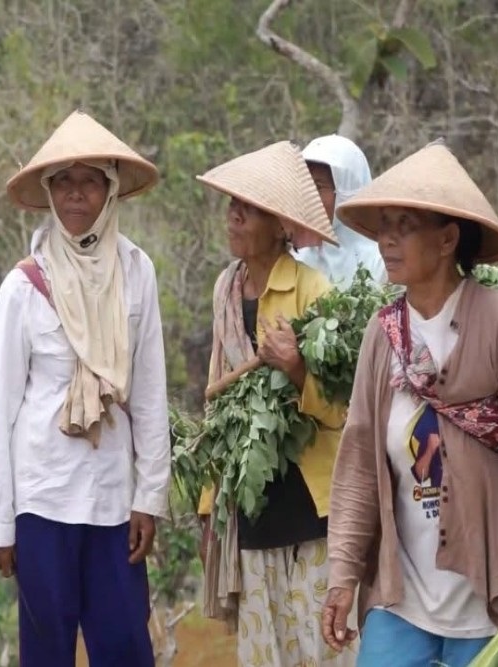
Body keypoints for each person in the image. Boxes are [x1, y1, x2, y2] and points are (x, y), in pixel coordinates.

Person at [322, 140, 498, 667]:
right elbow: (360, 461)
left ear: (448, 238)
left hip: (488, 595)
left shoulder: (495, 321)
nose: (386, 240)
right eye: (383, 225)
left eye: (404, 225)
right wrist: (343, 572)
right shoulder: (383, 335)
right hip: (403, 598)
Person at [0, 110, 171, 666]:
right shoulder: (24, 286)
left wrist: (149, 496)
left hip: (113, 496)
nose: (75, 195)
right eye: (63, 182)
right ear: (49, 192)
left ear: (110, 190)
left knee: (126, 644)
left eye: (88, 182)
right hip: (43, 496)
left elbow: (150, 392)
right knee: (48, 649)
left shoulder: (136, 272)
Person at [194, 140, 354, 666]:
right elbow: (221, 404)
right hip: (252, 504)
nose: (234, 216)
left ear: (282, 224)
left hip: (312, 506)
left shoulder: (313, 291)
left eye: (251, 208)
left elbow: (344, 410)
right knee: (267, 655)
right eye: (232, 205)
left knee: (323, 649)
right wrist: (208, 505)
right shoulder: (224, 289)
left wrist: (297, 368)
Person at [291, 134, 386, 288]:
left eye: (318, 187)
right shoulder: (298, 259)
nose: (308, 197)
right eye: (306, 186)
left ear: (347, 190)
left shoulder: (383, 264)